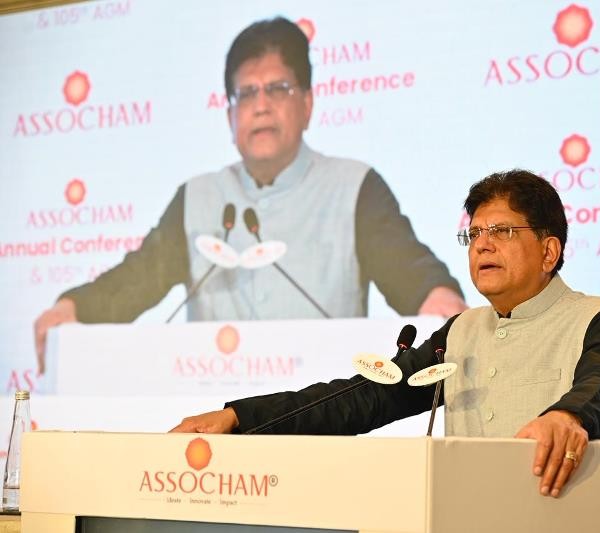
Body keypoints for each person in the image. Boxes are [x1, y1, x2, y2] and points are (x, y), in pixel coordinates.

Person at [33, 17, 466, 373]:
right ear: (229, 115)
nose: (261, 106)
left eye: (278, 89)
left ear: (308, 105)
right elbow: (135, 281)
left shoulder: (355, 187)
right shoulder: (197, 197)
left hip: (325, 416)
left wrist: (440, 302)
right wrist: (72, 308)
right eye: (246, 94)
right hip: (217, 418)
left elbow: (408, 270)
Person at [171, 169, 600, 498]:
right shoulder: (461, 330)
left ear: (549, 251)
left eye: (501, 231)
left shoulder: (597, 318)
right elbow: (364, 397)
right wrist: (241, 417)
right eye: (474, 234)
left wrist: (567, 418)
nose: (482, 245)